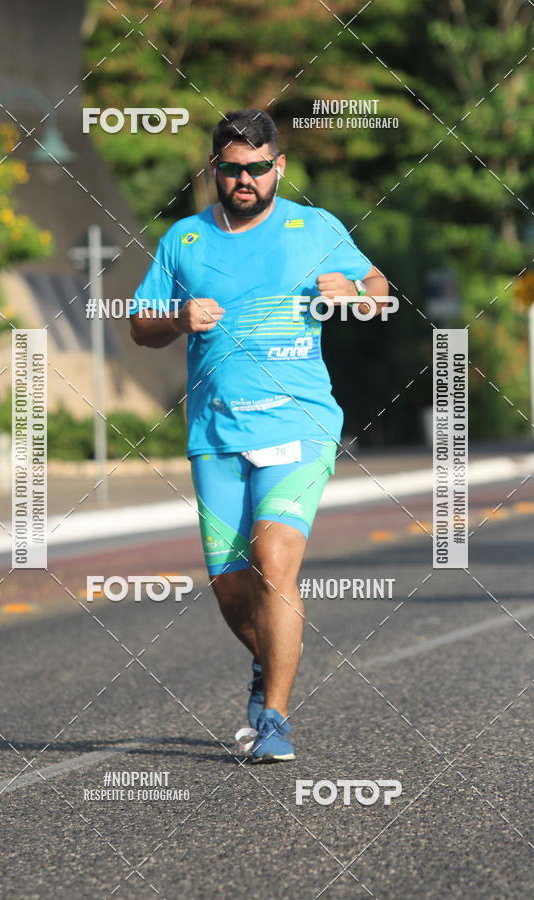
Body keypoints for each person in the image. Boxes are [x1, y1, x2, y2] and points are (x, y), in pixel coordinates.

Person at [129, 109, 389, 762]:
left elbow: (380, 292)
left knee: (274, 564)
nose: (244, 179)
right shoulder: (183, 241)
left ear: (279, 167)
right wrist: (176, 317)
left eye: (256, 168)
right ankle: (270, 658)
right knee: (230, 587)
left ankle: (273, 719)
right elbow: (138, 325)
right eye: (231, 168)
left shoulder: (316, 228)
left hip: (298, 424)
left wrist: (356, 293)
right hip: (216, 435)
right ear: (213, 168)